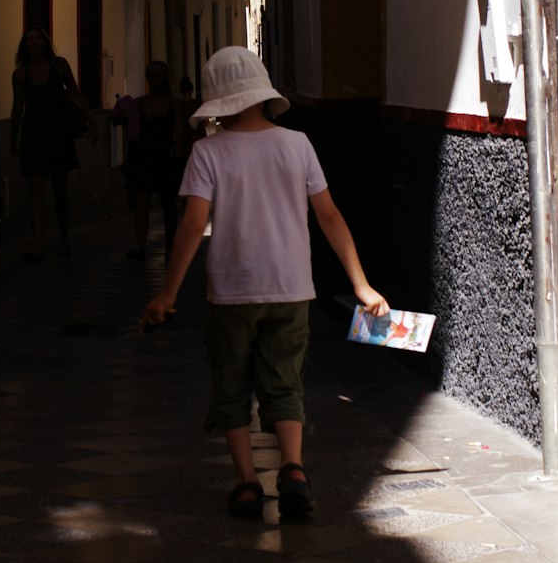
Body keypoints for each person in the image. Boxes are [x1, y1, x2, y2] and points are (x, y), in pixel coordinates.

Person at [144, 46, 388, 520]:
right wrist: (361, 284)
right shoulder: (297, 144)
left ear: (217, 102)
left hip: (232, 291)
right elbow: (329, 216)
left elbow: (194, 225)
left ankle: (247, 482)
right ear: (262, 95)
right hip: (292, 288)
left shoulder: (206, 153)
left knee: (231, 385)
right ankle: (293, 469)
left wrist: (168, 292)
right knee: (286, 383)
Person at [10, 26, 97, 260]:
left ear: (45, 43)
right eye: (29, 40)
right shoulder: (20, 75)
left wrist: (90, 120)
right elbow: (18, 107)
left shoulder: (59, 66)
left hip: (58, 133)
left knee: (59, 189)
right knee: (36, 189)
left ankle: (64, 237)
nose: (34, 44)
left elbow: (77, 93)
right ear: (24, 46)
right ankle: (39, 243)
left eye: (38, 39)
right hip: (33, 135)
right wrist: (13, 137)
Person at [120, 60, 180, 262]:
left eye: (158, 75)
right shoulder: (139, 103)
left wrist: (178, 146)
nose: (154, 79)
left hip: (165, 156)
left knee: (168, 204)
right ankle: (141, 245)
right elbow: (125, 122)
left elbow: (180, 129)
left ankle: (171, 247)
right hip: (143, 156)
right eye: (151, 75)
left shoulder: (172, 103)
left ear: (164, 78)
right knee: (141, 202)